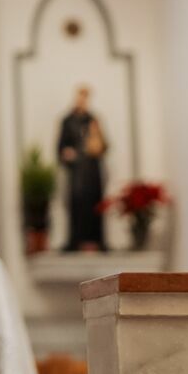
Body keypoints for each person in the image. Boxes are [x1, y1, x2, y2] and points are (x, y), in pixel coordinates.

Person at [58, 85, 109, 252]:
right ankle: (76, 241)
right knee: (77, 205)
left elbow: (104, 145)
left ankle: (97, 241)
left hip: (92, 171)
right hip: (77, 172)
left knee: (95, 206)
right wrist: (67, 154)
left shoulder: (93, 120)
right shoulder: (67, 121)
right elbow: (61, 147)